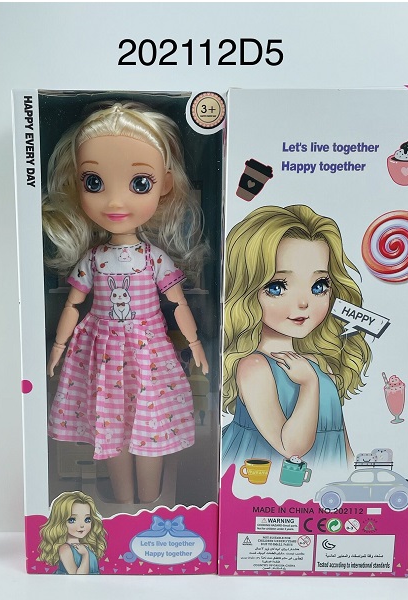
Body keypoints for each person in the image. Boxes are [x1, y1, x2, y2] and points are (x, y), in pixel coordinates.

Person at [42, 102, 209, 504]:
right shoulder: (94, 259)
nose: (116, 202)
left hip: (147, 352)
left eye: (139, 183)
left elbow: (177, 303)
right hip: (100, 354)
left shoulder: (153, 258)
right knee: (110, 430)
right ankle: (123, 502)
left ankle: (149, 504)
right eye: (94, 182)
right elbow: (73, 306)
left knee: (150, 426)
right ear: (76, 185)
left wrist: (196, 343)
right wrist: (58, 347)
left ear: (164, 184)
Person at [221, 205, 371, 472]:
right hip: (267, 482)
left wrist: (353, 475)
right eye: (277, 287)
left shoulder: (318, 362)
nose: (303, 303)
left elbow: (340, 437)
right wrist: (309, 384)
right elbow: (291, 448)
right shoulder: (255, 367)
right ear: (247, 290)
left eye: (319, 286)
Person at [38, 491, 106, 574]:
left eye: (87, 519)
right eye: (72, 520)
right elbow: (77, 576)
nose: (82, 525)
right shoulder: (65, 549)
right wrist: (85, 555)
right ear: (60, 522)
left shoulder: (85, 546)